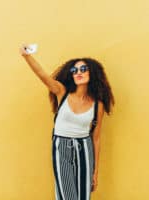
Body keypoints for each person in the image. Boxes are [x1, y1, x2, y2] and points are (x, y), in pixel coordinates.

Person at [19, 44, 115, 200]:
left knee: (83, 196)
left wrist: (95, 171)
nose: (78, 73)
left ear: (93, 73)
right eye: (74, 70)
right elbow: (43, 76)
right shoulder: (61, 92)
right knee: (67, 196)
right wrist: (26, 56)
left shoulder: (98, 104)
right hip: (61, 147)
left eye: (83, 69)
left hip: (85, 148)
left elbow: (96, 138)